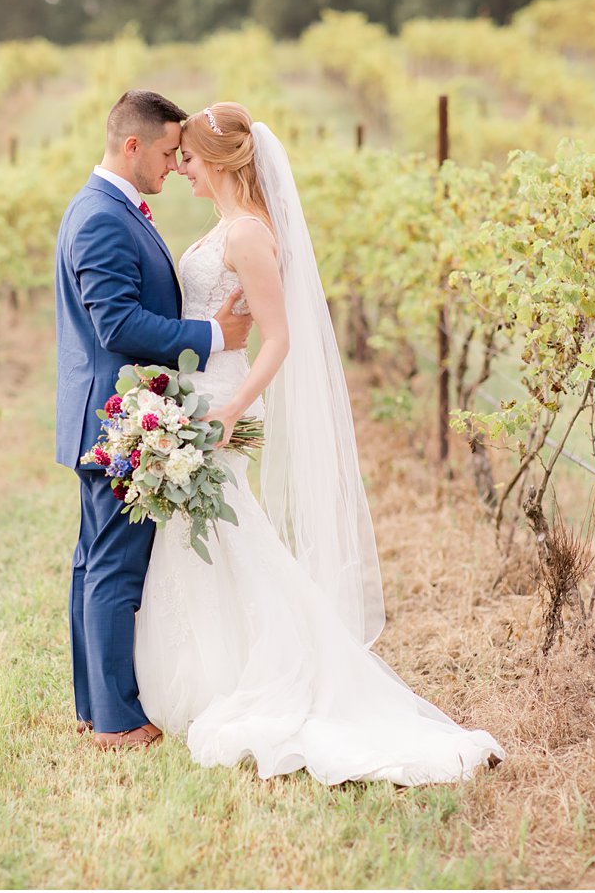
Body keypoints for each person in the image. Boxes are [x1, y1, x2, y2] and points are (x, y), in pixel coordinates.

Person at [133, 102, 506, 785]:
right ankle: (217, 669)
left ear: (215, 162)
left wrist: (231, 407)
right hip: (197, 389)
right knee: (207, 534)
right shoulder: (226, 227)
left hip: (223, 400)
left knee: (228, 528)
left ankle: (271, 669)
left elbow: (279, 338)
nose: (181, 169)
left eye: (188, 158)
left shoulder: (247, 235)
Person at [54, 90, 254, 750]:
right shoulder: (102, 217)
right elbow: (117, 323)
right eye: (169, 152)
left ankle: (95, 707)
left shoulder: (108, 207)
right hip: (116, 419)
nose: (175, 165)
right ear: (132, 145)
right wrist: (214, 336)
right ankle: (115, 720)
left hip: (108, 414)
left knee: (95, 561)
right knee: (113, 564)